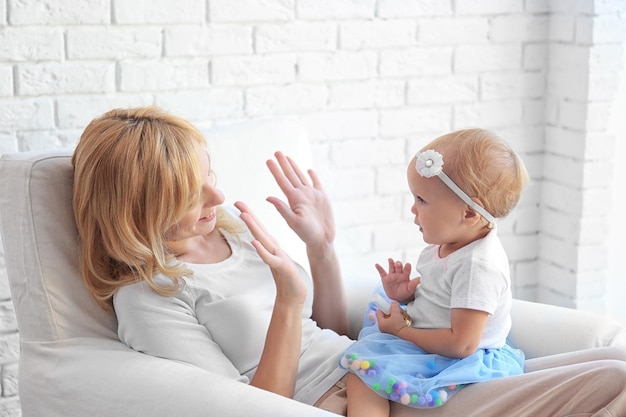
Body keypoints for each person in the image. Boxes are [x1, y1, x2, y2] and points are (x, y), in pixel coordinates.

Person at [71, 106, 626, 417]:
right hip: (363, 399)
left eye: (208, 177)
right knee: (610, 381)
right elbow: (247, 409)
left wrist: (320, 246)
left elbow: (331, 327)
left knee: (617, 363)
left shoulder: (236, 235)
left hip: (384, 365)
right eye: (190, 195)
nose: (216, 200)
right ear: (136, 208)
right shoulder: (149, 298)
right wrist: (289, 300)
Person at [340, 129, 527, 416]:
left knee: (364, 373)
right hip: (433, 336)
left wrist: (403, 331)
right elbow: (438, 294)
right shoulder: (449, 244)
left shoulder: (477, 267)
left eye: (422, 200)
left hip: (454, 359)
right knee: (368, 352)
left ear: (468, 214)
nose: (412, 209)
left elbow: (462, 343)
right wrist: (406, 293)